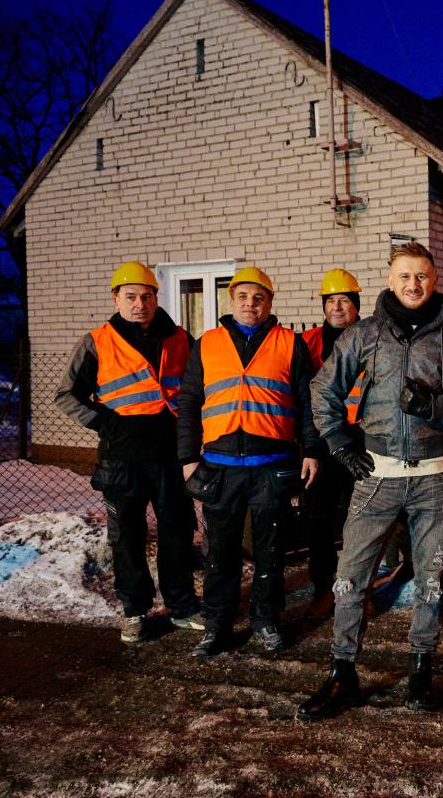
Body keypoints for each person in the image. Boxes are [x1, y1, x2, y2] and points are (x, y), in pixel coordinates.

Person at [298, 242, 443, 719]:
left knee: (430, 578)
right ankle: (343, 672)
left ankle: (421, 670)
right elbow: (323, 388)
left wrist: (435, 407)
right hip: (377, 476)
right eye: (405, 276)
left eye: (422, 276)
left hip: (435, 477)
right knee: (350, 577)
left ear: (434, 280)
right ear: (390, 281)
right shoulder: (365, 334)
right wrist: (339, 444)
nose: (413, 284)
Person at [176, 266, 322, 658]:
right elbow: (188, 402)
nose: (250, 304)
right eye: (242, 296)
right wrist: (187, 457)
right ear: (231, 300)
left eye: (259, 297)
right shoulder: (207, 343)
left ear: (269, 303)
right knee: (219, 553)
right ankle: (217, 626)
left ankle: (266, 621)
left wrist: (311, 450)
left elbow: (308, 403)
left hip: (272, 466)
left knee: (270, 550)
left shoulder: (290, 344)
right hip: (219, 466)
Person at [55, 261, 203, 644]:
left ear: (156, 298)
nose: (140, 304)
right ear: (116, 299)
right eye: (131, 296)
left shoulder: (180, 338)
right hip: (122, 458)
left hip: (171, 455)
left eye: (147, 296)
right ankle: (135, 611)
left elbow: (196, 391)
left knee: (177, 531)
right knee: (127, 537)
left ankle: (182, 606)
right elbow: (66, 395)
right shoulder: (96, 341)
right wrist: (104, 422)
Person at [300, 268, 363, 619]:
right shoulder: (307, 343)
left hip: (363, 440)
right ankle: (323, 588)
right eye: (331, 301)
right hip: (322, 442)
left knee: (362, 519)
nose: (337, 307)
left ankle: (358, 590)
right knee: (318, 519)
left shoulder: (372, 337)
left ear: (356, 304)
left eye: (344, 300)